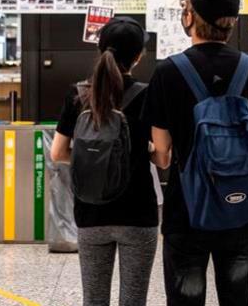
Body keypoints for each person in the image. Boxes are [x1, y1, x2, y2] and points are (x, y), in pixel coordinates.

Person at [144, 0, 248, 306]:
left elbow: (162, 155)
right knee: (237, 297)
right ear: (231, 22)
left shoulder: (168, 72)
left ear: (190, 17)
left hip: (187, 210)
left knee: (186, 299)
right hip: (239, 206)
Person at [50, 17, 158, 306]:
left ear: (100, 50)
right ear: (138, 56)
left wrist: (93, 160)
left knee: (94, 300)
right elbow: (163, 158)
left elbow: (57, 153)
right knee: (133, 300)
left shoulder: (79, 94)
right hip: (138, 214)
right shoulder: (148, 95)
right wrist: (140, 152)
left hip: (91, 212)